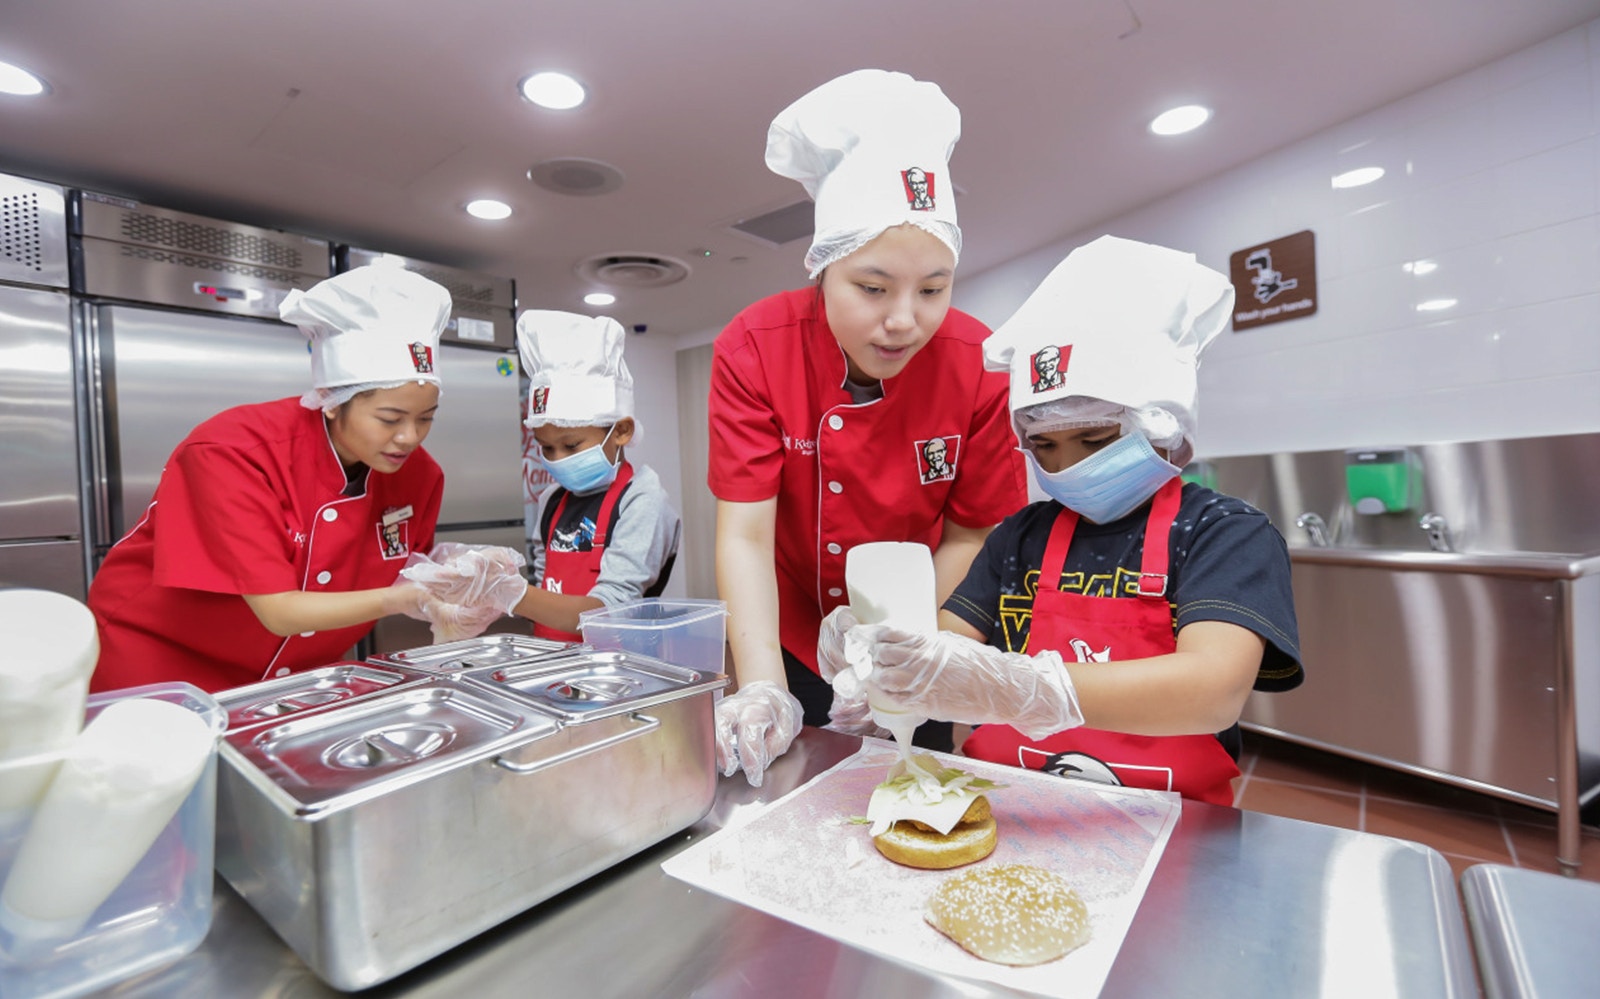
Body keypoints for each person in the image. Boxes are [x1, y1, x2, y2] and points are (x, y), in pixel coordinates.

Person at [828, 235, 1304, 806]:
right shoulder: (1020, 536)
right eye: (1044, 445)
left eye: (1096, 438)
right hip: (1012, 808)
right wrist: (883, 661)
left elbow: (1213, 690)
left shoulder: (1224, 533)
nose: (1067, 465)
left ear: (1161, 426)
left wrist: (1028, 687)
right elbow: (942, 647)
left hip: (1169, 827)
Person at [708, 69, 1028, 786]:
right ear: (823, 269)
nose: (904, 319)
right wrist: (761, 682)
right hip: (786, 633)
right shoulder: (754, 347)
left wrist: (899, 642)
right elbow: (746, 534)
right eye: (873, 288)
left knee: (918, 798)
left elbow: (974, 531)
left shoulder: (980, 364)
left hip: (921, 629)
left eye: (935, 288)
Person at [88, 265, 462, 694]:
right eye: (389, 419)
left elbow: (407, 569)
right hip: (163, 659)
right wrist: (404, 599)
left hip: (296, 671)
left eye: (425, 418)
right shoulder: (234, 451)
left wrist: (457, 567)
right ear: (331, 401)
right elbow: (279, 610)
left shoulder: (420, 475)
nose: (408, 438)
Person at [507, 310, 681, 639]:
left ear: (621, 431)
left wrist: (514, 596)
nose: (557, 460)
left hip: (616, 670)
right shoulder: (551, 499)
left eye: (571, 446)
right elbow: (546, 583)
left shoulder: (643, 499)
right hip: (552, 663)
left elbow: (612, 609)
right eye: (546, 448)